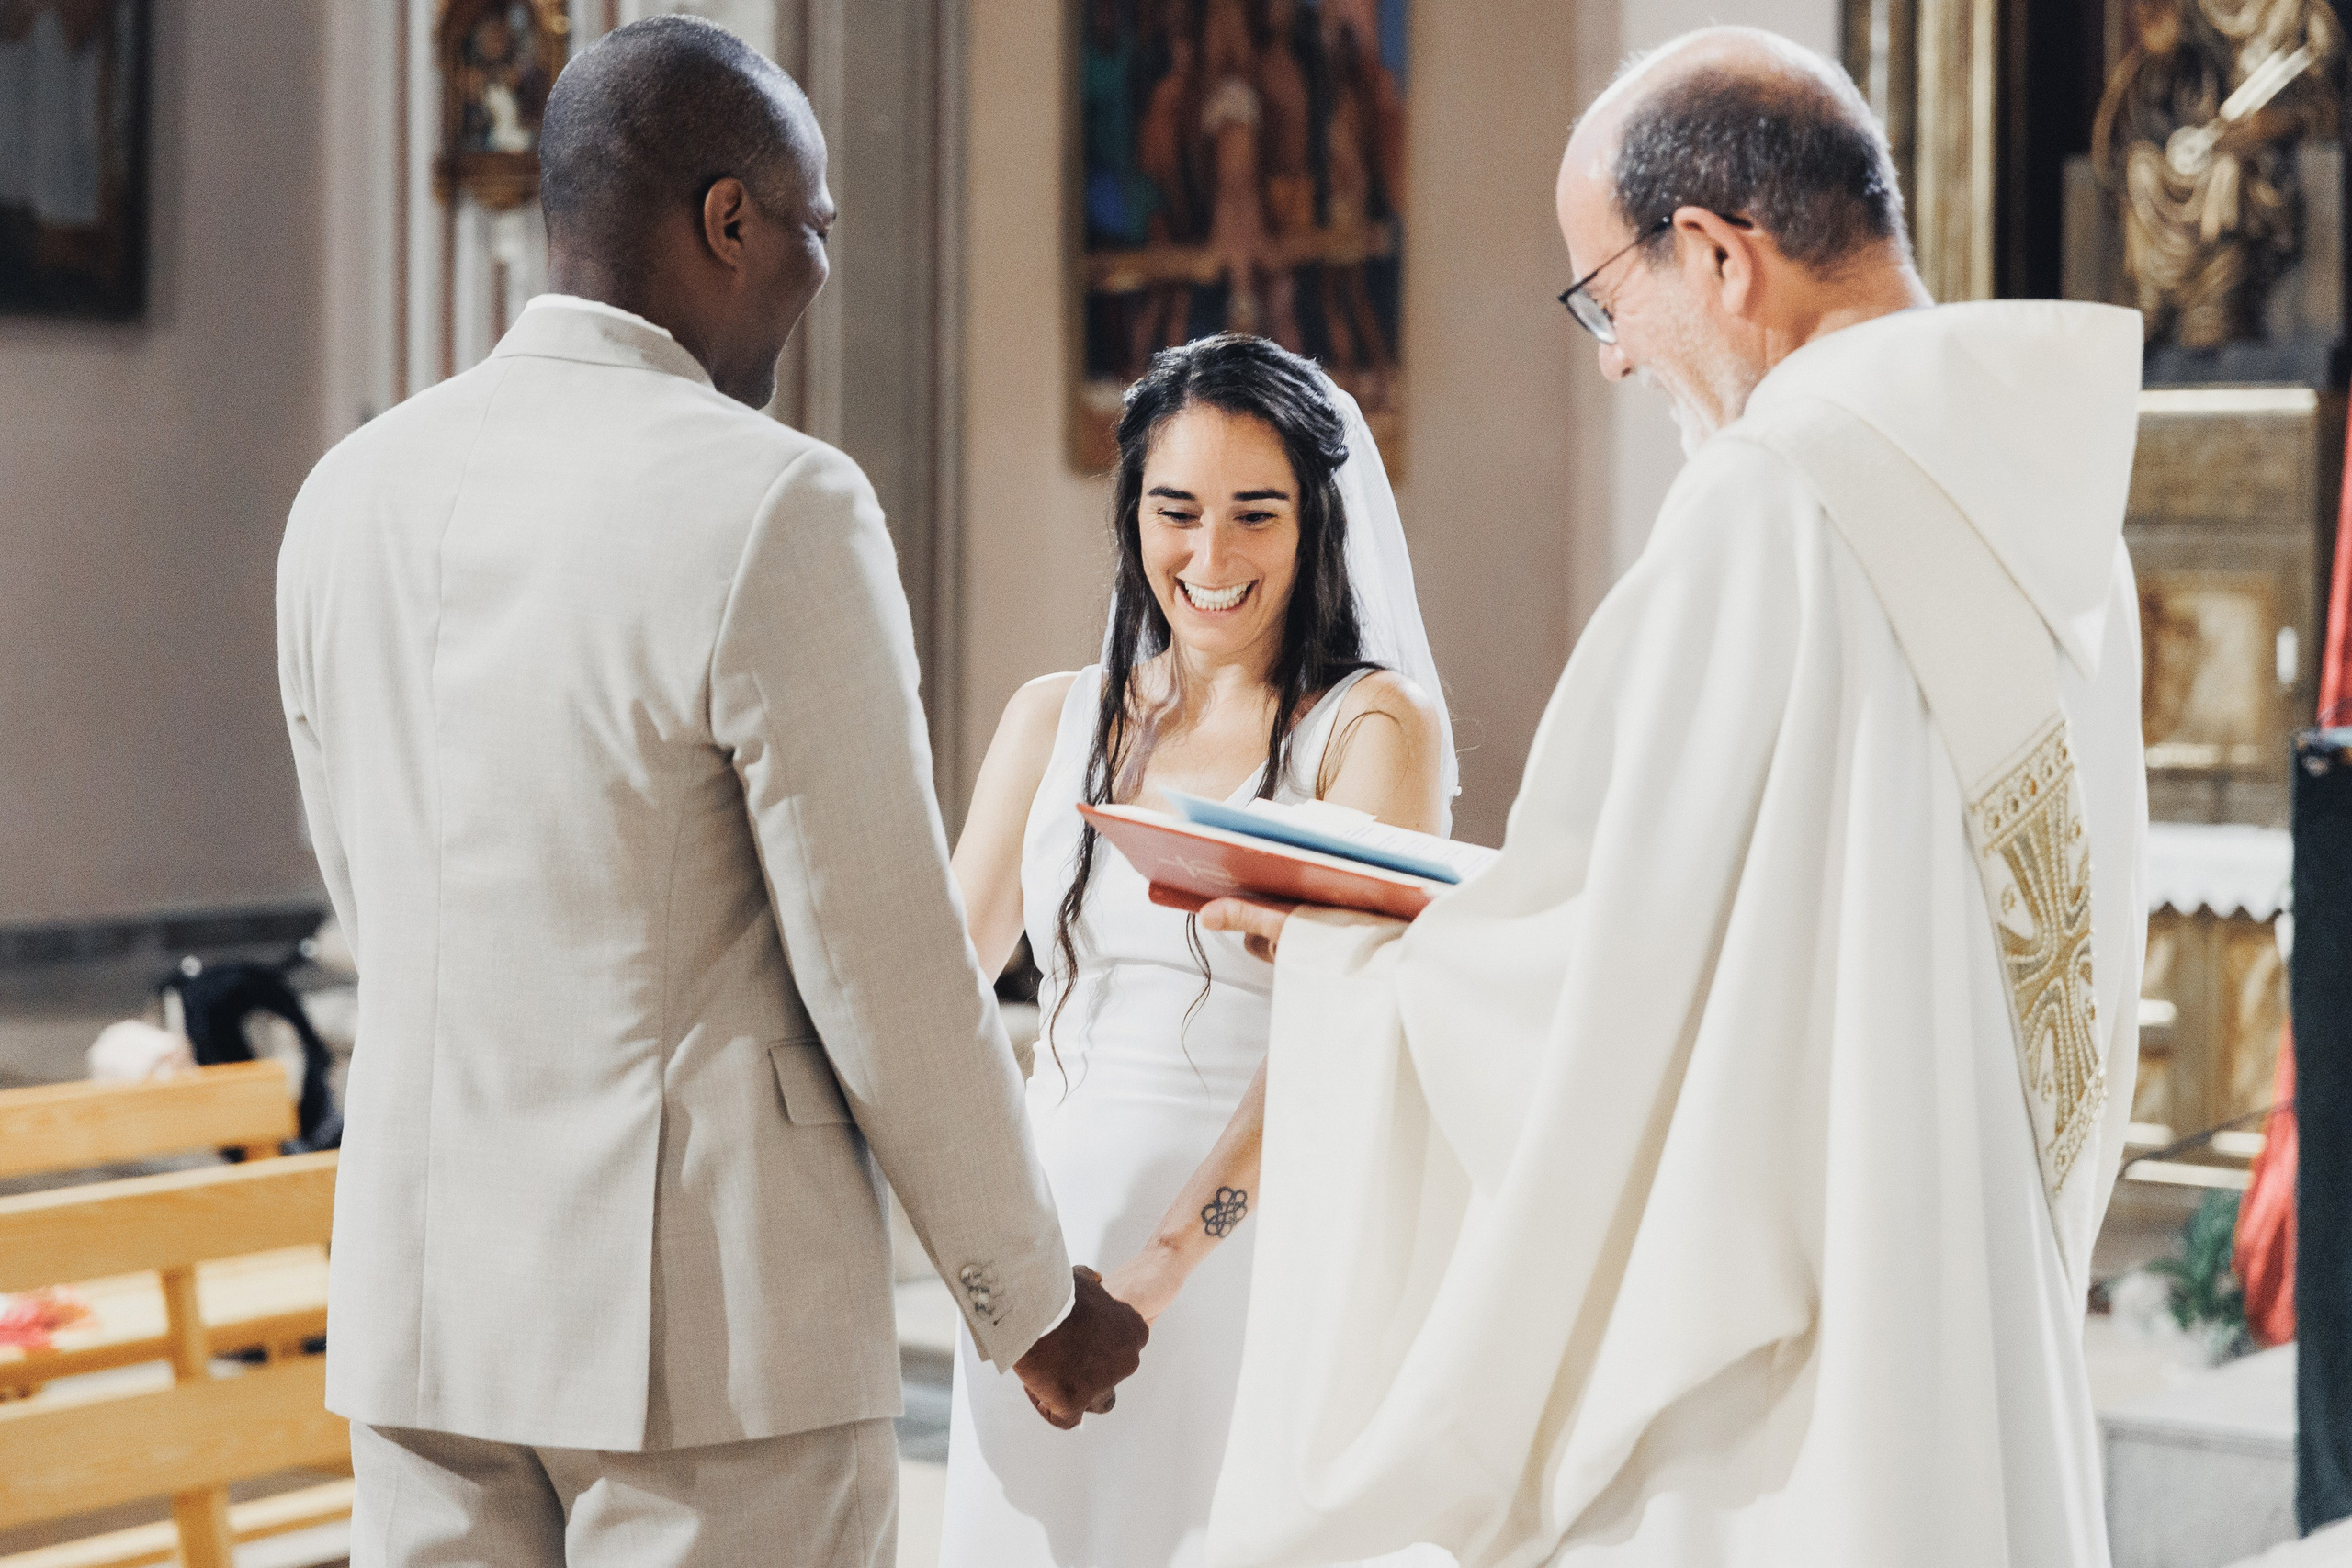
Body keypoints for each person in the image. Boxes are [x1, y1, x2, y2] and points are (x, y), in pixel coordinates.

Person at [1203, 28, 2149, 1567]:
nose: (1613, 356)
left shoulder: (1773, 502)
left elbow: (1609, 992)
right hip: (1967, 1307)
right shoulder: (2051, 509)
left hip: (1784, 1412)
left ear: (1714, 255)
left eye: (1606, 295)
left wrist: (1341, 959)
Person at [275, 19, 1145, 1568]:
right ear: (726, 220)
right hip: (705, 1343)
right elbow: (883, 960)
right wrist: (1030, 1298)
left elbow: (366, 879)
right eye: (811, 230)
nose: (818, 274)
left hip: (423, 1306)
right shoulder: (776, 503)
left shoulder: (351, 494)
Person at [939, 333, 1454, 1567]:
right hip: (1037, 1257)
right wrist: (1000, 1274)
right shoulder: (1047, 720)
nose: (1209, 560)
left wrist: (1156, 1279)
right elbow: (933, 998)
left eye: (1254, 517)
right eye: (1175, 512)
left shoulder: (1367, 728)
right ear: (1132, 517)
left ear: (1316, 523)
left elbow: (1343, 1042)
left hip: (1239, 1264)